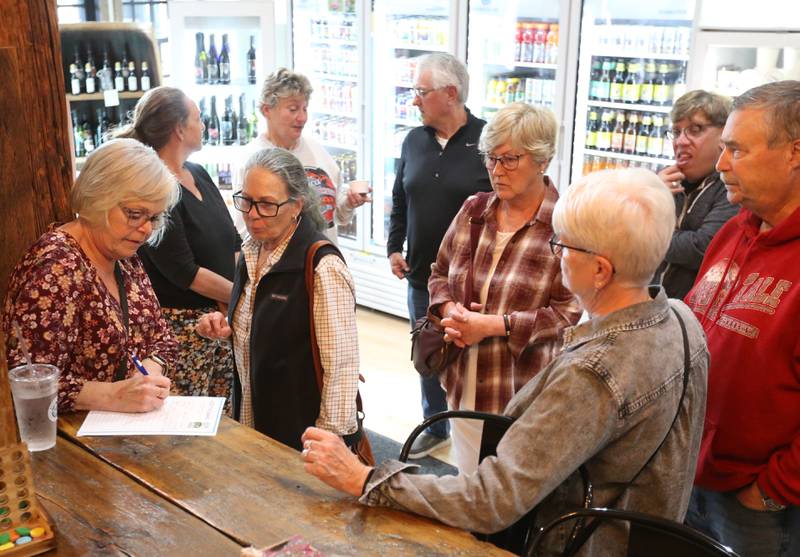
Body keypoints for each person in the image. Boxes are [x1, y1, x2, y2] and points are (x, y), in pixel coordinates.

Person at [302, 168, 708, 555]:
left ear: (600, 270)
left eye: (563, 245)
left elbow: (490, 500)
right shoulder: (682, 319)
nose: (557, 254)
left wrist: (365, 478)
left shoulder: (594, 373)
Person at [429, 102, 581, 473]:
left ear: (543, 159)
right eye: (490, 158)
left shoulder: (566, 227)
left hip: (521, 394)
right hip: (462, 381)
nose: (496, 171)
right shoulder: (472, 210)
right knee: (467, 484)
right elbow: (438, 275)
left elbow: (569, 314)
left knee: (507, 506)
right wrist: (451, 312)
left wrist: (496, 326)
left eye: (510, 159)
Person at [683, 81, 800, 556]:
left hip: (759, 505)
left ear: (795, 153)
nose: (721, 163)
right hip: (694, 475)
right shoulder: (735, 228)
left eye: (736, 149)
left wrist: (772, 490)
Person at [196, 148, 360, 452]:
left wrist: (326, 444)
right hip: (256, 427)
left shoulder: (322, 267)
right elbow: (264, 332)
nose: (253, 214)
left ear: (297, 205)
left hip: (301, 438)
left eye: (267, 204)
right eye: (247, 201)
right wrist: (225, 328)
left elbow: (341, 367)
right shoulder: (251, 251)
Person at [2, 138, 179, 412]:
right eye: (134, 214)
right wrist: (111, 396)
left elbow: (163, 336)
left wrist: (152, 370)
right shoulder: (55, 266)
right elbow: (28, 381)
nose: (145, 229)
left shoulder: (124, 256)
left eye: (154, 218)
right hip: (66, 441)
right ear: (97, 197)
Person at [387, 52, 492, 459]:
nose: (414, 100)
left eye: (421, 92)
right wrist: (395, 245)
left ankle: (474, 432)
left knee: (471, 359)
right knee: (428, 350)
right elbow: (400, 198)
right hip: (421, 276)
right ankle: (435, 422)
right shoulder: (413, 140)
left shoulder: (487, 141)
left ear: (450, 94)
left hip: (473, 280)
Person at [116, 87, 241, 408]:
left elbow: (232, 240)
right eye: (197, 119)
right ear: (179, 129)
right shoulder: (156, 186)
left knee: (224, 415)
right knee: (188, 417)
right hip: (183, 328)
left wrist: (237, 296)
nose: (203, 125)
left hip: (220, 321)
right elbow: (184, 271)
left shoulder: (198, 173)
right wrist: (241, 295)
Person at [235, 68, 367, 243]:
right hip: (280, 267)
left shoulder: (317, 151)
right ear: (267, 110)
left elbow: (335, 217)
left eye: (304, 109)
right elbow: (244, 230)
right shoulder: (251, 161)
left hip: (322, 259)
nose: (302, 117)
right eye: (293, 109)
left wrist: (349, 203)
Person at [654, 90, 738, 299]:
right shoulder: (664, 181)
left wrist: (645, 235)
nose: (681, 141)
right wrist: (649, 195)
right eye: (676, 131)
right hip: (651, 310)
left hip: (693, 319)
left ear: (724, 135)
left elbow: (701, 247)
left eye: (696, 129)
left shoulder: (732, 186)